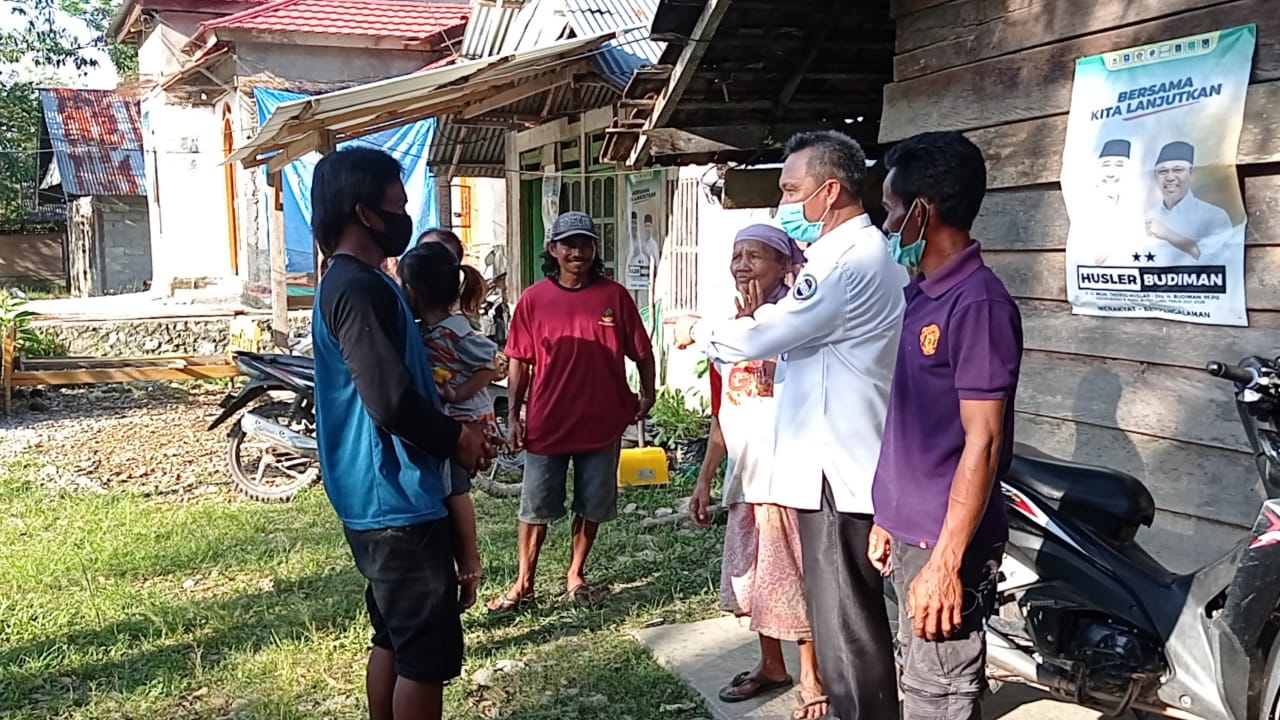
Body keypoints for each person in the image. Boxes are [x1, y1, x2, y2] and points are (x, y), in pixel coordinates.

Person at [690, 130, 908, 720]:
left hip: (834, 470)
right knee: (844, 619)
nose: (784, 203)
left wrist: (703, 332)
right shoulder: (852, 255)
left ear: (829, 191)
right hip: (831, 464)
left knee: (845, 624)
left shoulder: (844, 261)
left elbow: (767, 333)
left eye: (791, 190)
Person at [309, 147, 496, 720]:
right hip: (394, 496)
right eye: (397, 205)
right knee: (424, 657)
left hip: (384, 494)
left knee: (394, 636)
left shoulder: (365, 281)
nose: (405, 216)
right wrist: (458, 440)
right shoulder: (357, 288)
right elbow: (390, 401)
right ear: (364, 213)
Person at [867, 131, 1024, 720]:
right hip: (911, 532)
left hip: (945, 539)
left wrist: (946, 561)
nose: (886, 224)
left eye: (891, 209)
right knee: (919, 674)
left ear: (922, 212)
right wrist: (888, 515)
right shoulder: (925, 295)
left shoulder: (978, 304)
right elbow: (914, 421)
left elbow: (983, 440)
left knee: (941, 692)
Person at [689, 224, 828, 720]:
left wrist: (757, 322)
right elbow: (723, 414)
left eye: (756, 256)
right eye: (737, 256)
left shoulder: (799, 323)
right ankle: (772, 665)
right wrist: (705, 479)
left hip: (789, 478)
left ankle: (813, 679)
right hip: (747, 478)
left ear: (785, 265)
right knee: (756, 581)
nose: (743, 266)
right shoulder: (728, 333)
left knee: (794, 579)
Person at [487, 210, 656, 613]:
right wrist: (513, 416)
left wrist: (648, 393)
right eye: (568, 244)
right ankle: (523, 584)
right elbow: (519, 361)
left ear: (595, 249)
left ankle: (576, 574)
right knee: (535, 507)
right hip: (548, 420)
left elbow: (642, 351)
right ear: (553, 249)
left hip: (603, 421)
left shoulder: (615, 296)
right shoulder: (533, 300)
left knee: (592, 503)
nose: (576, 251)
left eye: (584, 244)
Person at [398, 242, 501, 612]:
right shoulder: (426, 330)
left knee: (454, 491)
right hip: (452, 417)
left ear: (412, 291)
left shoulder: (455, 330)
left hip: (467, 419)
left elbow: (493, 364)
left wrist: (459, 392)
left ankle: (469, 565)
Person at [1144, 140, 1233, 261]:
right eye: (1163, 171)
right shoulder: (1149, 216)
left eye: (1178, 170)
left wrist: (1166, 234)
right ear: (1155, 176)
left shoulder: (1214, 215)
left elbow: (1203, 254)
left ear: (1191, 173)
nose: (1170, 177)